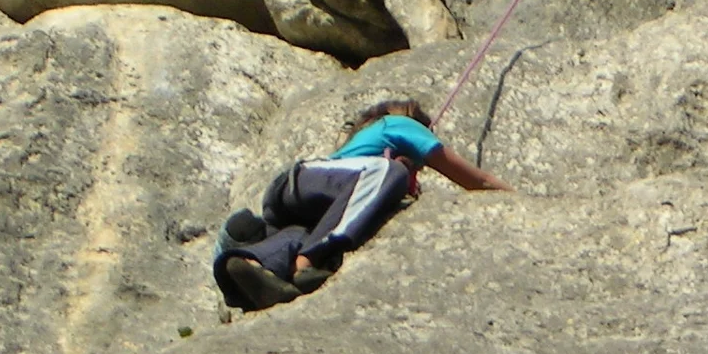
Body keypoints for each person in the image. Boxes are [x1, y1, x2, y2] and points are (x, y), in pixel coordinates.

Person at [214, 99, 510, 310]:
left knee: (299, 235)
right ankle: (308, 263)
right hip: (302, 182)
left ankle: (252, 266)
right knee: (390, 172)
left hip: (299, 201)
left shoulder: (355, 155)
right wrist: (518, 198)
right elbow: (477, 181)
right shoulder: (400, 124)